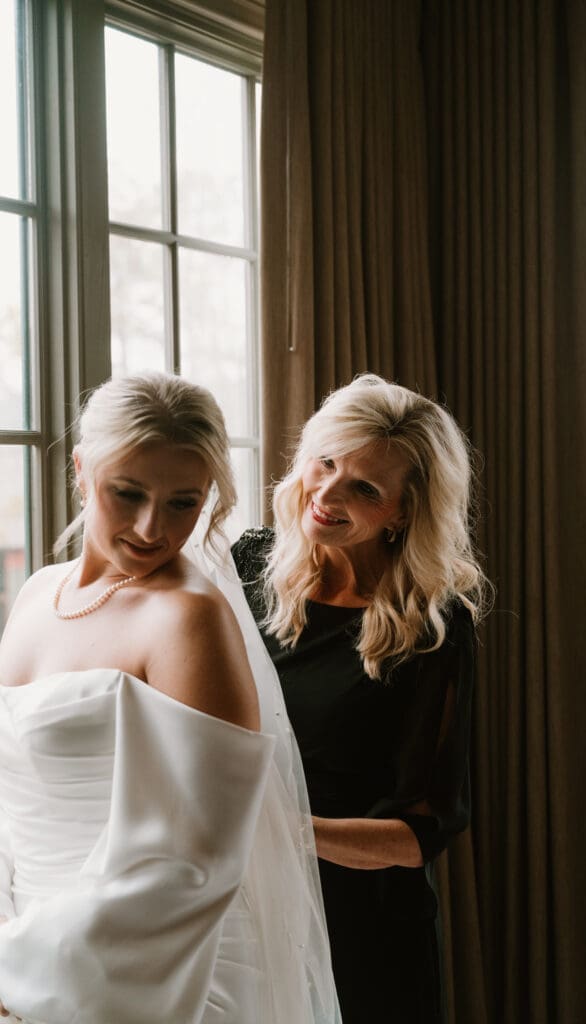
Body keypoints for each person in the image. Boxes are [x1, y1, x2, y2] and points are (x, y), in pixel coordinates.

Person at [0, 372, 340, 1024]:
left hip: (148, 971)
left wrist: (24, 966)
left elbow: (193, 859)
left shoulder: (187, 618)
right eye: (126, 494)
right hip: (27, 947)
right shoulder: (39, 593)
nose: (152, 529)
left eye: (184, 503)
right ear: (80, 470)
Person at [232, 373, 488, 1024]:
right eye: (324, 463)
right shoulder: (246, 565)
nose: (325, 492)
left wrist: (280, 834)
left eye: (363, 488)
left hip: (365, 931)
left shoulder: (432, 629)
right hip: (245, 907)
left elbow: (423, 830)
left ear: (403, 511)